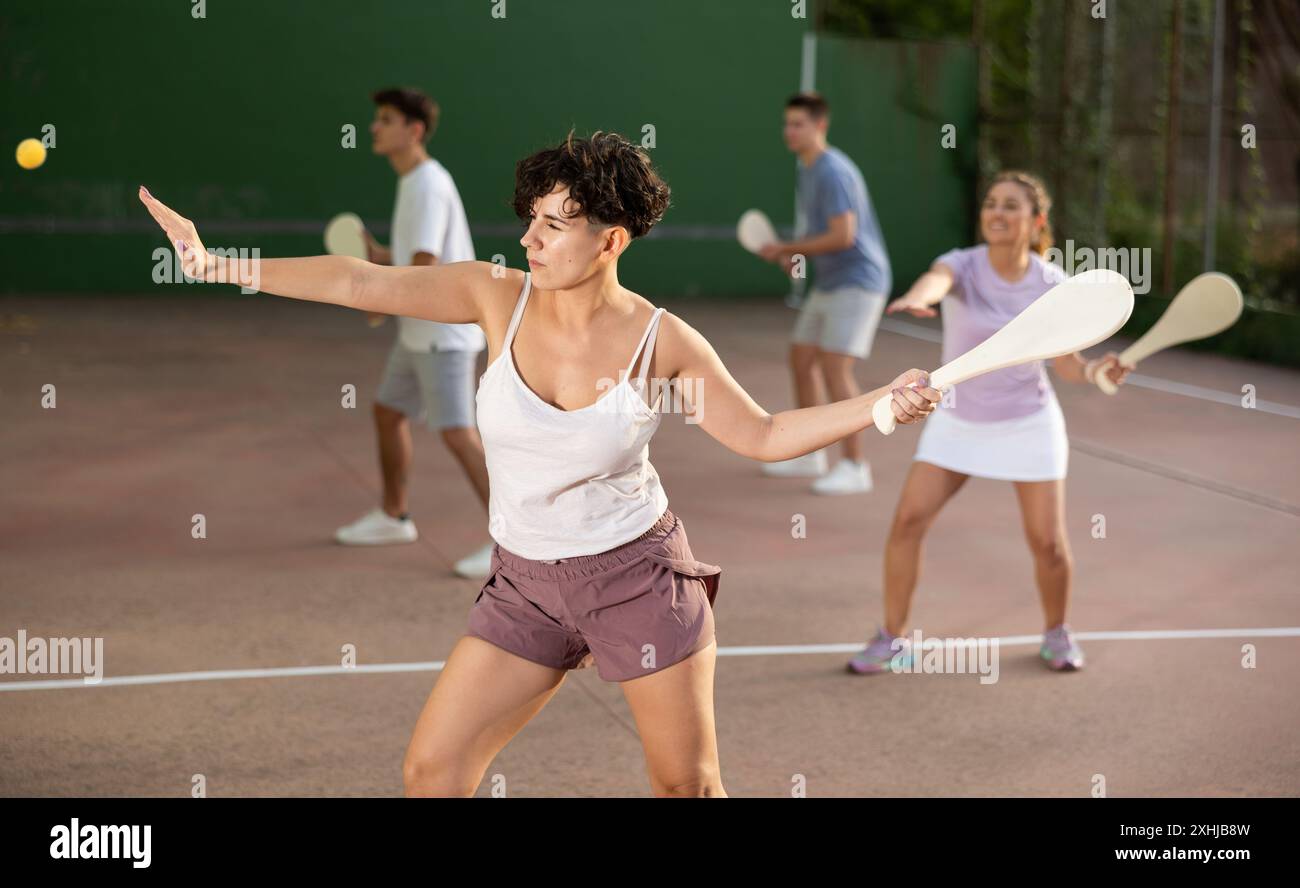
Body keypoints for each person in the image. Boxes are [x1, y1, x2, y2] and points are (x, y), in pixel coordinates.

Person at [138, 131, 940, 797]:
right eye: (531, 218)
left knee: (686, 788)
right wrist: (218, 264)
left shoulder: (662, 342)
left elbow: (762, 433)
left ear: (610, 240)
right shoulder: (497, 296)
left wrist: (880, 405)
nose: (529, 238)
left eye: (555, 225)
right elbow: (359, 279)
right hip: (525, 584)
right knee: (433, 772)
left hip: (635, 579)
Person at [846, 171, 1130, 676]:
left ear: (1036, 221)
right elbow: (938, 279)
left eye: (1011, 206)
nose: (997, 213)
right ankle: (892, 638)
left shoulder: (1052, 284)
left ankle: (1057, 633)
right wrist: (921, 296)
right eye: (991, 204)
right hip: (957, 419)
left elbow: (1066, 363)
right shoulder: (964, 265)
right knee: (909, 521)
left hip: (1029, 422)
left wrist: (1094, 371)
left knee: (1047, 542)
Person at [332, 87, 494, 579]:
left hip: (442, 335)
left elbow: (425, 268)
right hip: (417, 335)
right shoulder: (413, 181)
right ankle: (393, 515)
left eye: (385, 119)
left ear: (414, 130)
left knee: (457, 434)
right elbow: (412, 260)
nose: (375, 128)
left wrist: (376, 298)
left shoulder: (426, 183)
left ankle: (516, 545)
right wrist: (378, 257)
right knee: (388, 412)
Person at [755, 93, 893, 496]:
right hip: (831, 281)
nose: (789, 131)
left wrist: (788, 248)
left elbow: (843, 235)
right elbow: (823, 238)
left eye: (798, 124)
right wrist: (791, 254)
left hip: (860, 281)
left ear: (820, 127)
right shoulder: (807, 169)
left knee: (836, 368)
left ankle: (855, 466)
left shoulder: (832, 170)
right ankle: (810, 453)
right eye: (787, 124)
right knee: (801, 358)